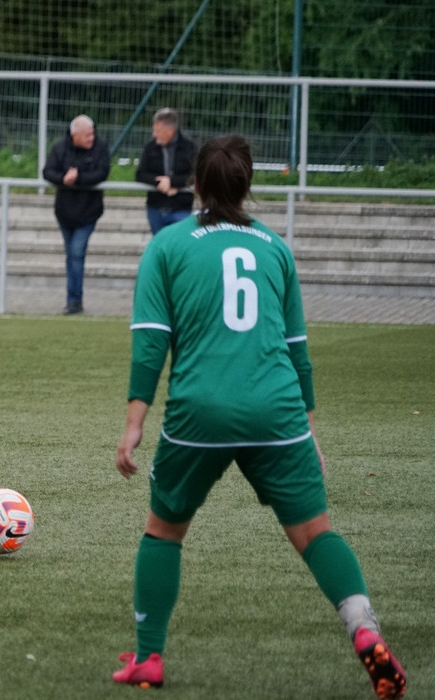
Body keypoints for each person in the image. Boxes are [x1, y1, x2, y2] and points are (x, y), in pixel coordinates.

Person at [112, 136, 406, 699]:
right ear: (248, 186)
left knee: (164, 531)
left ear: (196, 185)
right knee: (315, 533)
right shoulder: (275, 248)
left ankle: (149, 659)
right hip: (278, 411)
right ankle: (364, 628)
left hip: (200, 412)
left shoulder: (168, 245)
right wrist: (309, 431)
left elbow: (151, 344)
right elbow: (297, 348)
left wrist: (134, 423)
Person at [42, 114, 110, 315]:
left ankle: (74, 301)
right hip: (65, 213)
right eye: (87, 135)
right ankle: (73, 299)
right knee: (71, 255)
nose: (92, 138)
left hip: (88, 212)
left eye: (92, 134)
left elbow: (102, 173)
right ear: (75, 136)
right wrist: (64, 179)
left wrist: (78, 178)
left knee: (76, 254)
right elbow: (47, 172)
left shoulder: (101, 147)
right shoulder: (59, 148)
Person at [135, 107, 197, 235]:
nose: (154, 134)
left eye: (157, 131)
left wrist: (173, 182)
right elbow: (140, 174)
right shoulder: (150, 147)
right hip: (155, 207)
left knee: (178, 246)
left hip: (181, 207)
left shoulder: (189, 148)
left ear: (170, 130)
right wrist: (159, 183)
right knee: (160, 248)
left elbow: (196, 175)